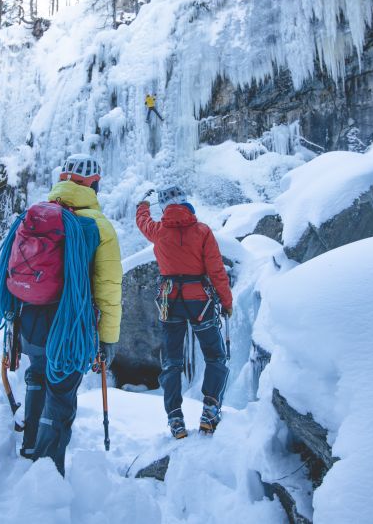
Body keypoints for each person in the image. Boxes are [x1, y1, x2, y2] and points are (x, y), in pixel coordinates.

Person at [19, 153, 122, 474]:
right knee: (61, 392)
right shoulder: (99, 226)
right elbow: (108, 287)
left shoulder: (35, 214)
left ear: (63, 178)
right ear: (95, 184)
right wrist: (108, 339)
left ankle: (30, 445)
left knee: (37, 373)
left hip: (30, 319)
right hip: (70, 325)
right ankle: (46, 473)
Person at [136, 185, 233, 438]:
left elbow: (143, 221)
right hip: (199, 300)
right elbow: (216, 271)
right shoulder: (202, 231)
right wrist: (227, 301)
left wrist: (142, 205)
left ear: (165, 207)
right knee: (214, 356)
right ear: (186, 202)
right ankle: (210, 410)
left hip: (170, 301)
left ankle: (175, 419)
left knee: (172, 362)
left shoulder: (158, 231)